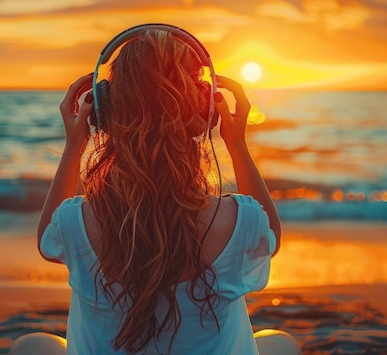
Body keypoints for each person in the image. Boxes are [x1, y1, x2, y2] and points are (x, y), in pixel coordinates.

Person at [16, 26, 301, 355]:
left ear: (103, 112)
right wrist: (237, 144)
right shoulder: (240, 223)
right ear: (204, 113)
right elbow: (272, 237)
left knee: (32, 344)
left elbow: (46, 243)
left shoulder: (74, 222)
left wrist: (74, 145)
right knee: (281, 342)